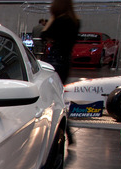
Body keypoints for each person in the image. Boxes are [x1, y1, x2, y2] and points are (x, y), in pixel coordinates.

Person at [41, 0, 79, 144]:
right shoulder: (75, 22)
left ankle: (64, 131)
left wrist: (52, 19)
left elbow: (45, 34)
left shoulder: (60, 21)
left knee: (53, 97)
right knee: (57, 96)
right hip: (66, 62)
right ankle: (66, 132)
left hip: (56, 60)